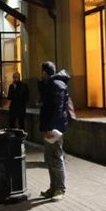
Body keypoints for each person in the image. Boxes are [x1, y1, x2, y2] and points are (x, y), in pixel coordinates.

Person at [38, 61, 70, 200]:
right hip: (50, 127)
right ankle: (53, 187)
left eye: (42, 72)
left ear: (45, 72)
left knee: (56, 157)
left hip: (54, 128)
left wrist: (51, 128)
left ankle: (60, 189)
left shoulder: (55, 85)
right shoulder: (51, 84)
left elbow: (56, 109)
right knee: (50, 158)